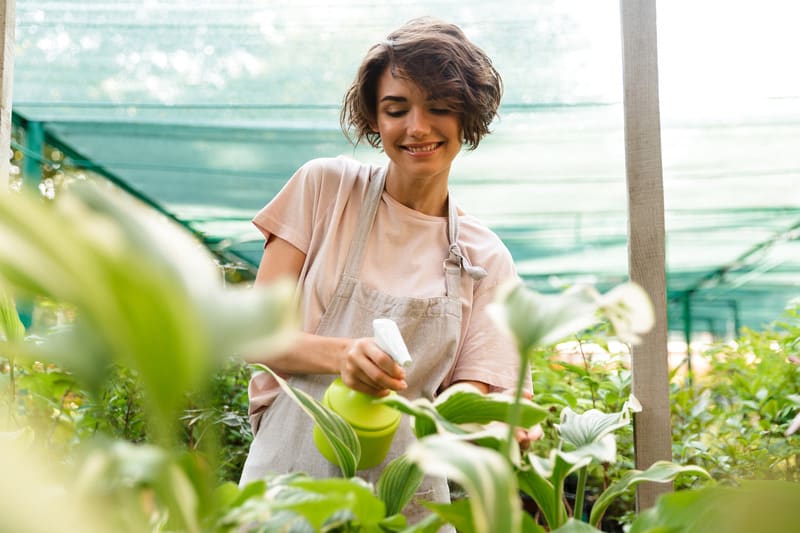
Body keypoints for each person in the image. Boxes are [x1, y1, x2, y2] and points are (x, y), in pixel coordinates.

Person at [239, 16, 533, 523]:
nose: (417, 128)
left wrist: (479, 413)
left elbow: (481, 389)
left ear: (468, 118)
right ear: (374, 119)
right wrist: (345, 355)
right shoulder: (325, 190)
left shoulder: (486, 257)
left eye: (439, 108)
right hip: (287, 486)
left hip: (410, 497)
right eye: (396, 110)